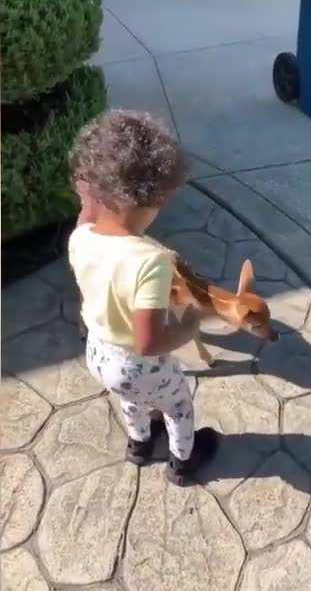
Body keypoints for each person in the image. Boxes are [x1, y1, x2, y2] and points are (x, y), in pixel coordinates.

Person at [68, 109, 217, 486]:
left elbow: (88, 215)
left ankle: (139, 445)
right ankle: (183, 462)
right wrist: (189, 325)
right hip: (138, 363)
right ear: (159, 198)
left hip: (99, 354)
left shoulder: (81, 237)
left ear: (90, 189)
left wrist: (89, 195)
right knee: (178, 404)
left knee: (131, 399)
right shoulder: (151, 261)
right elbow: (148, 342)